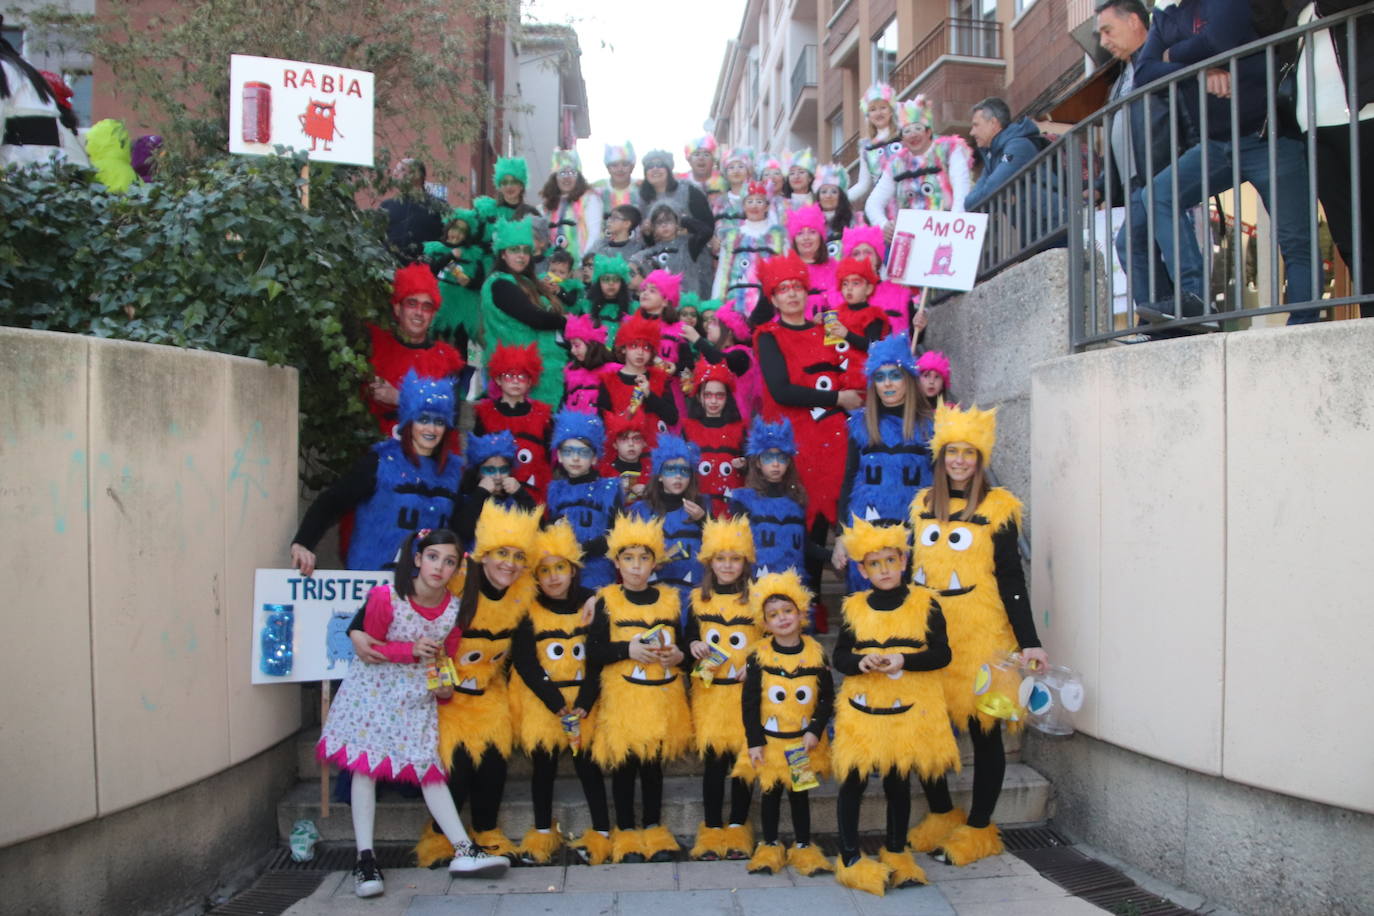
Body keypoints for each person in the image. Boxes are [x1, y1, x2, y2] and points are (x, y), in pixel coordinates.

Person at [317, 529, 509, 898]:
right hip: (372, 695)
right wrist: (409, 651)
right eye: (434, 557)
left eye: (449, 561)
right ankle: (365, 859)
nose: (440, 566)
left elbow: (446, 658)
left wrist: (445, 685)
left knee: (429, 768)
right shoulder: (385, 598)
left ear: (457, 568)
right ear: (418, 559)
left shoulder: (454, 609)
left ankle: (464, 849)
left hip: (417, 698)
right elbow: (368, 649)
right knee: (365, 767)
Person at [906, 405, 1048, 866]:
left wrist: (1029, 641)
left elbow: (1011, 578)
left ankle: (979, 828)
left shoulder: (999, 508)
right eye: (953, 452)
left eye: (969, 453)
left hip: (981, 638)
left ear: (980, 458)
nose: (960, 461)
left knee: (984, 731)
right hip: (928, 637)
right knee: (927, 729)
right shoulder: (923, 504)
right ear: (941, 456)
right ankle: (943, 814)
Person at [1128, 0, 1322, 324]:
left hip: (1268, 134)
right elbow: (1144, 73)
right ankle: (1198, 302)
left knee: (1296, 240)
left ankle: (1304, 326)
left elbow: (1221, 39)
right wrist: (1200, 69)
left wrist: (1172, 55)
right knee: (1159, 194)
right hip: (1217, 145)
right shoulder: (1164, 16)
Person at [831, 518, 957, 896]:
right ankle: (850, 855)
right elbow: (838, 655)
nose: (884, 570)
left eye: (890, 561)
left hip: (906, 710)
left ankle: (897, 850)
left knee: (898, 779)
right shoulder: (853, 607)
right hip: (862, 708)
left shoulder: (926, 602)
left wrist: (905, 660)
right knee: (852, 779)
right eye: (874, 563)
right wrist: (860, 663)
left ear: (903, 561)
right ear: (861, 569)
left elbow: (942, 653)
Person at [410, 503, 541, 867]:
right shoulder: (457, 580)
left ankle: (486, 833)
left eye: (517, 556)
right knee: (457, 766)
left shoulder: (522, 593)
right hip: (447, 696)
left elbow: (528, 652)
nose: (509, 564)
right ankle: (440, 839)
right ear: (484, 554)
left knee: (494, 764)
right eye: (502, 553)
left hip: (490, 694)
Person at [753, 253, 865, 626]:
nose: (791, 295)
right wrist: (836, 399)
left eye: (797, 288)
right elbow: (782, 391)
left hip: (833, 443)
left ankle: (834, 611)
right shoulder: (768, 337)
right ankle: (795, 611)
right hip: (792, 447)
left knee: (829, 526)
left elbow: (858, 365)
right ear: (773, 297)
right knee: (797, 532)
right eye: (783, 290)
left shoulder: (827, 331)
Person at [585, 514, 692, 863]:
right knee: (625, 766)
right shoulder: (606, 600)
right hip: (623, 699)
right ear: (616, 562)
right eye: (628, 559)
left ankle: (653, 829)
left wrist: (679, 655)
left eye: (643, 559)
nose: (636, 567)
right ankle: (627, 833)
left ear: (655, 562)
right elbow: (595, 650)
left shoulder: (670, 599)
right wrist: (626, 650)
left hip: (661, 698)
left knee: (652, 766)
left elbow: (684, 645)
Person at [508, 520, 613, 865]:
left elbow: (597, 657)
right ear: (534, 575)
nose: (553, 577)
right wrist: (556, 703)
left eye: (560, 568)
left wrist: (583, 702)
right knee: (543, 766)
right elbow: (524, 661)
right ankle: (541, 833)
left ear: (573, 569)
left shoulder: (592, 603)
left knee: (589, 766)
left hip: (584, 703)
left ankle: (601, 833)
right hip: (544, 702)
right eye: (545, 570)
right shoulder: (527, 609)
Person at [292, 372, 461, 575]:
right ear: (409, 422)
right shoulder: (381, 462)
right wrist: (302, 543)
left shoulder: (453, 473)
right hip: (375, 583)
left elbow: (462, 527)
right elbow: (332, 501)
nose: (431, 428)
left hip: (427, 590)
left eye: (439, 422)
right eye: (423, 419)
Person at [734, 570, 834, 877]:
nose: (782, 618)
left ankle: (803, 845)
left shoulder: (815, 653)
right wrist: (754, 741)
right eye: (773, 615)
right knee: (770, 793)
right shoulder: (759, 657)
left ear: (801, 612)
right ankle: (770, 844)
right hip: (770, 743)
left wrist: (815, 730)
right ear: (764, 623)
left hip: (801, 742)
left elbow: (827, 698)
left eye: (788, 611)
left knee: (800, 793)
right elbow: (750, 703)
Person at [1091, 0, 1184, 330]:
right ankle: (1162, 316)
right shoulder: (1121, 78)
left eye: (1107, 30)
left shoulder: (1162, 58)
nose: (1104, 42)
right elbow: (1120, 132)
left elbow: (1184, 112)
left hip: (1162, 172)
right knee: (1139, 244)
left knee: (1140, 244)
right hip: (1135, 181)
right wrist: (1103, 183)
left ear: (1133, 21)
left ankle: (1162, 317)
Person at [684, 516, 761, 861]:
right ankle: (712, 827)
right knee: (715, 762)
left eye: (735, 559)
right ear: (709, 562)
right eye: (721, 559)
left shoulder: (758, 599)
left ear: (745, 562)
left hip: (746, 695)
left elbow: (773, 640)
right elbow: (686, 639)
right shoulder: (696, 599)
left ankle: (737, 826)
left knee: (744, 762)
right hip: (711, 693)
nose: (728, 566)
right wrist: (693, 648)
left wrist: (756, 664)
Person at [833, 333, 933, 591]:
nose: (887, 383)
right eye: (879, 377)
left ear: (908, 379)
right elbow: (847, 482)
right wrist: (842, 534)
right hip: (867, 534)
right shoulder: (860, 424)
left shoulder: (930, 427)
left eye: (895, 375)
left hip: (915, 536)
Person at [1291, 0, 1372, 317]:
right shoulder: (1299, 8)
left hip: (1364, 115)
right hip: (1314, 126)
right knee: (1347, 233)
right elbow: (1265, 20)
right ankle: (1369, 315)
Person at [364, 264, 466, 438]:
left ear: (433, 315)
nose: (419, 312)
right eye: (412, 303)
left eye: (426, 307)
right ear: (398, 308)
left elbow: (451, 416)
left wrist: (401, 398)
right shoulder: (373, 345)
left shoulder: (447, 359)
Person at [478, 217, 568, 406]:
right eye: (514, 250)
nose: (521, 256)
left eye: (525, 250)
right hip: (516, 374)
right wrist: (566, 322)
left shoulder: (526, 281)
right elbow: (535, 319)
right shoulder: (500, 283)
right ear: (503, 254)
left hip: (538, 370)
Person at [866, 96, 972, 236]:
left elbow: (962, 187)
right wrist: (884, 225)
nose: (913, 135)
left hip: (945, 233)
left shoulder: (948, 150)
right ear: (902, 139)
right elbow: (873, 203)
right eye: (907, 131)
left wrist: (955, 225)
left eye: (918, 128)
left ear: (928, 132)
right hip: (909, 240)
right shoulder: (896, 164)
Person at [627, 434, 708, 617]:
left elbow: (717, 548)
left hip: (691, 596)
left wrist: (703, 520)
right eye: (671, 470)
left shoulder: (702, 506)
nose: (678, 476)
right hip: (651, 598)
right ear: (660, 476)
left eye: (684, 471)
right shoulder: (640, 510)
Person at [545, 410, 621, 590]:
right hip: (562, 572)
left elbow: (616, 533)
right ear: (560, 456)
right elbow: (550, 526)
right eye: (569, 451)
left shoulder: (609, 489)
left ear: (594, 458)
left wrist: (581, 549)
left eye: (583, 452)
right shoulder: (555, 490)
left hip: (598, 571)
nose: (576, 458)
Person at [728, 417, 810, 583]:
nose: (775, 464)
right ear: (757, 462)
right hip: (756, 584)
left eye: (781, 458)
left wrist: (837, 555)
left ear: (788, 462)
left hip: (792, 584)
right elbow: (735, 545)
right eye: (768, 458)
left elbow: (805, 544)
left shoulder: (797, 498)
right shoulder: (742, 500)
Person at [472, 343, 553, 503]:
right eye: (510, 375)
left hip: (531, 492)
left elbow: (548, 456)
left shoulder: (542, 414)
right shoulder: (485, 413)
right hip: (495, 493)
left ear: (530, 381)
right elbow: (477, 456)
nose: (516, 381)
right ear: (498, 379)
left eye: (522, 376)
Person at [712, 181, 787, 328]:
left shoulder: (778, 237)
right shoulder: (732, 236)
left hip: (769, 306)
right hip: (735, 305)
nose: (754, 206)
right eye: (750, 201)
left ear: (766, 206)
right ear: (743, 206)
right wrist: (716, 305)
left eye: (759, 201)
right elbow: (722, 273)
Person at [680, 359, 748, 512]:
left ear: (727, 398)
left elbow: (752, 466)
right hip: (698, 505)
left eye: (719, 396)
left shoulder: (739, 429)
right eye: (708, 395)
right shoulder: (688, 428)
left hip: (731, 506)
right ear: (699, 397)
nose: (713, 401)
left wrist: (744, 464)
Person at [963, 97, 1052, 212]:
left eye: (976, 125)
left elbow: (993, 188)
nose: (972, 132)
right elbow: (969, 204)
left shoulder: (1018, 145)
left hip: (1056, 223)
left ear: (993, 123)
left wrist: (997, 196)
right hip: (1037, 226)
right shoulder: (992, 156)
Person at [452, 431, 538, 550]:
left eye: (503, 469)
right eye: (490, 470)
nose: (498, 476)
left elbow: (538, 526)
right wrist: (480, 494)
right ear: (478, 472)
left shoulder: (516, 497)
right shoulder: (467, 497)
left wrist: (520, 494)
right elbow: (463, 531)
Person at [597, 312, 679, 433]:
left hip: (654, 448)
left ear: (652, 352)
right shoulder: (608, 381)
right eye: (634, 346)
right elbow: (602, 424)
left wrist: (649, 395)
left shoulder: (661, 378)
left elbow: (672, 418)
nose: (640, 352)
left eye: (646, 347)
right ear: (623, 348)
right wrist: (625, 417)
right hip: (622, 447)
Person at [423, 208, 487, 354]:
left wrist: (469, 282)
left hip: (463, 314)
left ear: (467, 235)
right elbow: (429, 272)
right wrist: (449, 256)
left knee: (459, 353)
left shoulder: (473, 255)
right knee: (435, 350)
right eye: (454, 228)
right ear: (448, 227)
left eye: (462, 231)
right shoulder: (435, 249)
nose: (456, 233)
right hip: (438, 309)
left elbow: (481, 283)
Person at [825, 255, 891, 375]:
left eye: (855, 283)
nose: (849, 288)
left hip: (861, 373)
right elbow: (829, 345)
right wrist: (819, 324)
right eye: (845, 284)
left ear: (869, 289)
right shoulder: (836, 312)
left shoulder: (873, 315)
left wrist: (847, 334)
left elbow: (873, 347)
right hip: (837, 372)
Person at [380, 158, 447, 264]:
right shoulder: (386, 206)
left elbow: (448, 242)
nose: (395, 174)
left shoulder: (439, 206)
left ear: (417, 174)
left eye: (401, 170)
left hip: (425, 272)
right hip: (390, 272)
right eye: (395, 170)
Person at [542, 148, 604, 258]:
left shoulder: (590, 200)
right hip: (553, 268)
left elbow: (594, 235)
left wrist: (582, 264)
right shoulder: (549, 204)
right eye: (562, 173)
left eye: (572, 172)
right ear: (555, 177)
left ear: (579, 176)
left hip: (579, 267)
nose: (567, 177)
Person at [847, 81, 900, 208]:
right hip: (881, 207)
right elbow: (863, 184)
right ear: (868, 115)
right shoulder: (866, 147)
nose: (878, 113)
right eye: (873, 109)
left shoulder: (903, 136)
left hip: (908, 203)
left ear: (891, 111)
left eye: (883, 107)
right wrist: (839, 200)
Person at [787, 204, 837, 319]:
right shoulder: (786, 269)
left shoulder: (836, 268)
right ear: (794, 240)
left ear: (820, 236)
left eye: (812, 232)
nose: (806, 238)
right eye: (800, 233)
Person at [562, 315, 614, 413]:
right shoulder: (571, 371)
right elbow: (564, 405)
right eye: (571, 345)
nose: (572, 351)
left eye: (576, 345)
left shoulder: (612, 372)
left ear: (592, 345)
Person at [815, 163, 857, 254]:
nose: (828, 196)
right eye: (824, 192)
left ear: (841, 196)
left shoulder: (852, 219)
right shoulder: (811, 219)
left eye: (834, 192)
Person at [596, 141, 641, 214]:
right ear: (608, 168)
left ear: (632, 167)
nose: (620, 169)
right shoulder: (597, 188)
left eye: (625, 164)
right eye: (614, 165)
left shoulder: (641, 187)